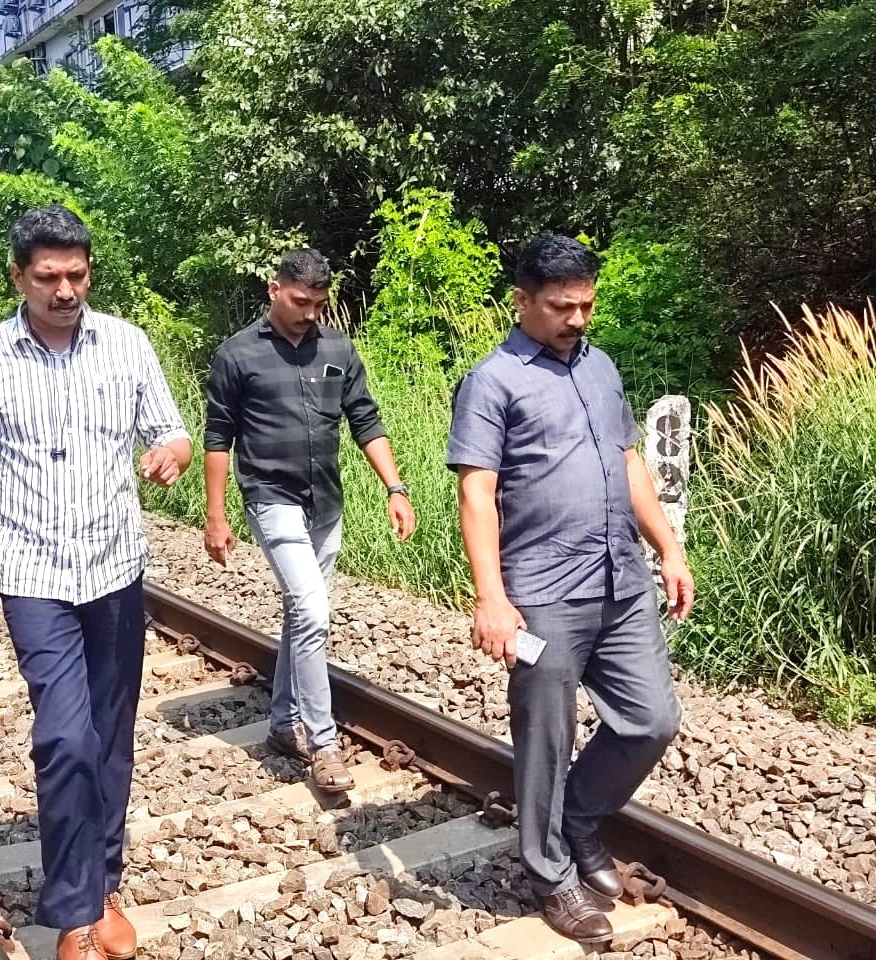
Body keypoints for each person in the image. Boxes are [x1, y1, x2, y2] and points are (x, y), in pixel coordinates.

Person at [0, 205, 192, 960]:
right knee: (64, 739)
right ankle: (75, 912)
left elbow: (169, 429)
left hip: (115, 569)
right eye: (48, 276)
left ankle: (102, 880)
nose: (65, 288)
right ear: (18, 277)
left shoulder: (129, 346)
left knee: (110, 739)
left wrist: (173, 453)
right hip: (34, 575)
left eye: (76, 273)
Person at [448, 234, 693, 942]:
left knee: (650, 719)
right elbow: (476, 494)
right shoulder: (492, 381)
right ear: (522, 301)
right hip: (542, 593)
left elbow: (628, 461)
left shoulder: (602, 367)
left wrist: (668, 550)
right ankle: (552, 876)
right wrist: (490, 596)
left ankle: (579, 821)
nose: (578, 318)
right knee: (545, 740)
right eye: (562, 307)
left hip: (621, 580)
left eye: (586, 304)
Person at [202, 248, 416, 794]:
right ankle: (323, 744)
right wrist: (216, 513)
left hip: (325, 502)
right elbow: (218, 436)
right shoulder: (237, 355)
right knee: (313, 613)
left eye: (319, 303)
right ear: (275, 290)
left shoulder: (338, 350)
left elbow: (365, 419)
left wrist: (395, 487)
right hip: (271, 498)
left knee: (303, 618)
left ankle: (280, 726)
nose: (309, 313)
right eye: (300, 301)